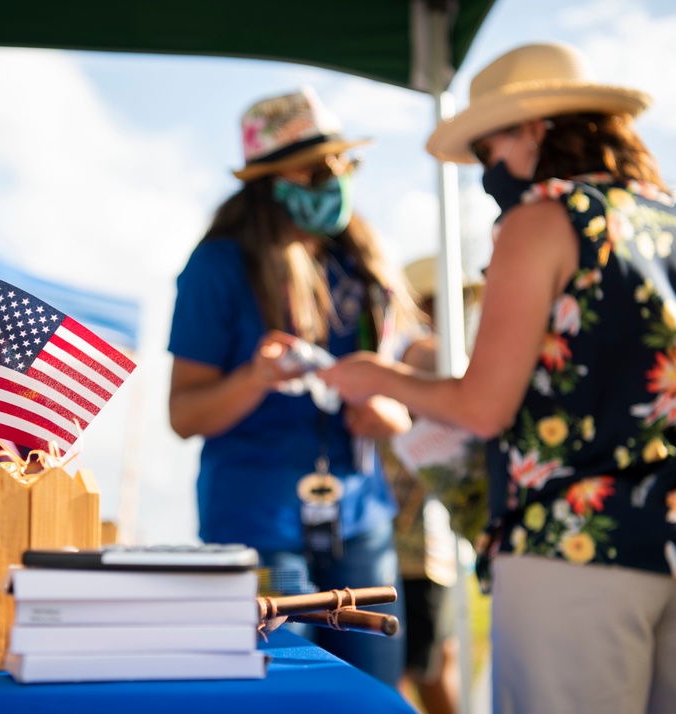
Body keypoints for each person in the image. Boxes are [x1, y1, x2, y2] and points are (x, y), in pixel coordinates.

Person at [319, 42, 676, 712]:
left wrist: (377, 376)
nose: (485, 170)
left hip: (575, 548)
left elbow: (482, 407)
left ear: (535, 128)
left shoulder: (540, 222)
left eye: (487, 149)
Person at [167, 86, 424, 688]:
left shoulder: (361, 263)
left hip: (363, 518)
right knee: (284, 696)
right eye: (314, 166)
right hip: (257, 524)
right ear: (266, 181)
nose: (333, 178)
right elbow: (184, 414)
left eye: (342, 162)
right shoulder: (216, 268)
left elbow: (407, 378)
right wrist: (255, 377)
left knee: (376, 697)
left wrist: (392, 412)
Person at [384, 256, 485, 714]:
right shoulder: (422, 352)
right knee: (414, 669)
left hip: (431, 544)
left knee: (432, 662)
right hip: (410, 546)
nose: (464, 310)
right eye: (456, 300)